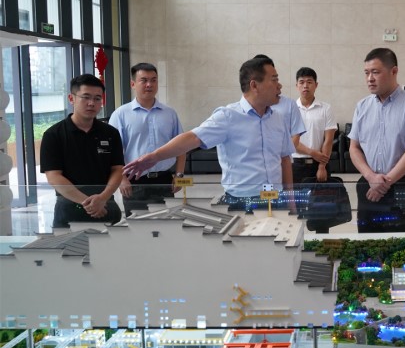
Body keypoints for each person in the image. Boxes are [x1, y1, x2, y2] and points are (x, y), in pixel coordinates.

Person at [123, 55, 294, 206]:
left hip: (276, 198)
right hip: (242, 202)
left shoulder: (278, 119)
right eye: (274, 80)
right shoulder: (228, 116)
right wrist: (155, 156)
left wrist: (290, 201)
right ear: (254, 85)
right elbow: (192, 138)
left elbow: (285, 159)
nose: (279, 86)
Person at [348, 48, 405, 233]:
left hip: (402, 185)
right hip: (368, 185)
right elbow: (354, 148)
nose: (370, 78)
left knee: (403, 241)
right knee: (368, 241)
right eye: (366, 73)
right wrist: (371, 178)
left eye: (375, 72)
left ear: (394, 71)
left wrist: (384, 184)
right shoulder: (362, 106)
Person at [40, 74, 124, 228]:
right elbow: (54, 176)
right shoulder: (53, 134)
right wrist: (89, 203)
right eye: (86, 97)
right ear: (71, 98)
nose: (91, 103)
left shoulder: (110, 133)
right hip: (69, 208)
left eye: (97, 98)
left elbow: (117, 169)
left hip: (105, 206)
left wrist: (102, 198)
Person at [109, 63, 185, 216]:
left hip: (164, 180)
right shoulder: (121, 114)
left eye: (153, 80)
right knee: (137, 225)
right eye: (143, 80)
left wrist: (179, 175)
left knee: (167, 224)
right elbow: (113, 152)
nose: (149, 84)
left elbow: (181, 147)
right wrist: (121, 179)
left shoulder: (169, 113)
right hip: (134, 182)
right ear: (133, 84)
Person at [292, 67, 337, 182]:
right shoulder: (290, 109)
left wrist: (322, 167)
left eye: (309, 82)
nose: (305, 86)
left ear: (316, 85)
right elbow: (290, 141)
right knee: (296, 194)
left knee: (322, 194)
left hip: (320, 164)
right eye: (301, 82)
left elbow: (328, 140)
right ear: (296, 85)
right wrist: (312, 152)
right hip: (296, 165)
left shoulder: (326, 108)